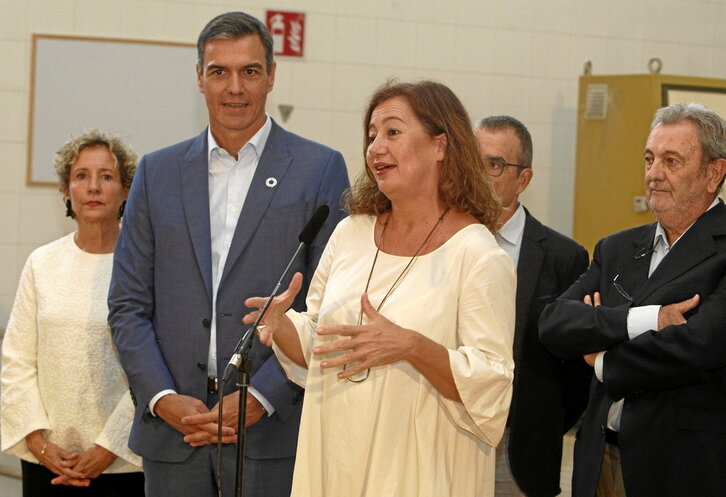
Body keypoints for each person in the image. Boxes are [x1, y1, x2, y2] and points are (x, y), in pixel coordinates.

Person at [107, 11, 350, 497]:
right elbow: (127, 305)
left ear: (271, 76)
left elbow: (331, 308)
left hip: (273, 430)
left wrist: (262, 394)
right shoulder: (157, 173)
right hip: (175, 430)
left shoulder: (319, 169)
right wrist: (162, 398)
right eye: (219, 71)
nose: (234, 87)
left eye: (250, 71)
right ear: (199, 78)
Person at [235, 80, 516, 496]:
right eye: (371, 136)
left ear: (441, 145)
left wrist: (413, 346)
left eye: (393, 132)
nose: (375, 148)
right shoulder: (351, 232)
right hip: (335, 455)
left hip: (418, 469)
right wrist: (282, 327)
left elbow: (491, 384)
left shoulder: (478, 254)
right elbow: (321, 343)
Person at [538, 102, 726, 497]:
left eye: (671, 161)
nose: (654, 174)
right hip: (598, 459)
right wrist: (644, 320)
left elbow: (698, 346)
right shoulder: (619, 248)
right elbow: (554, 323)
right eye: (649, 159)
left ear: (714, 173)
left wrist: (601, 358)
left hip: (682, 464)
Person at [1, 129, 144, 496]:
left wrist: (110, 445)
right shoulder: (42, 263)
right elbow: (17, 360)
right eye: (82, 176)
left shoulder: (146, 266)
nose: (93, 187)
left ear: (126, 189)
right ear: (66, 190)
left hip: (123, 463)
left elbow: (156, 367)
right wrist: (38, 442)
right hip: (47, 461)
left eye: (106, 176)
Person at [474, 115, 590, 497]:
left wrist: (538, 425)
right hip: (446, 437)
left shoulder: (563, 257)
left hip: (520, 450)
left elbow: (576, 374)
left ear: (522, 180)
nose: (477, 173)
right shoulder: (438, 241)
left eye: (493, 164)